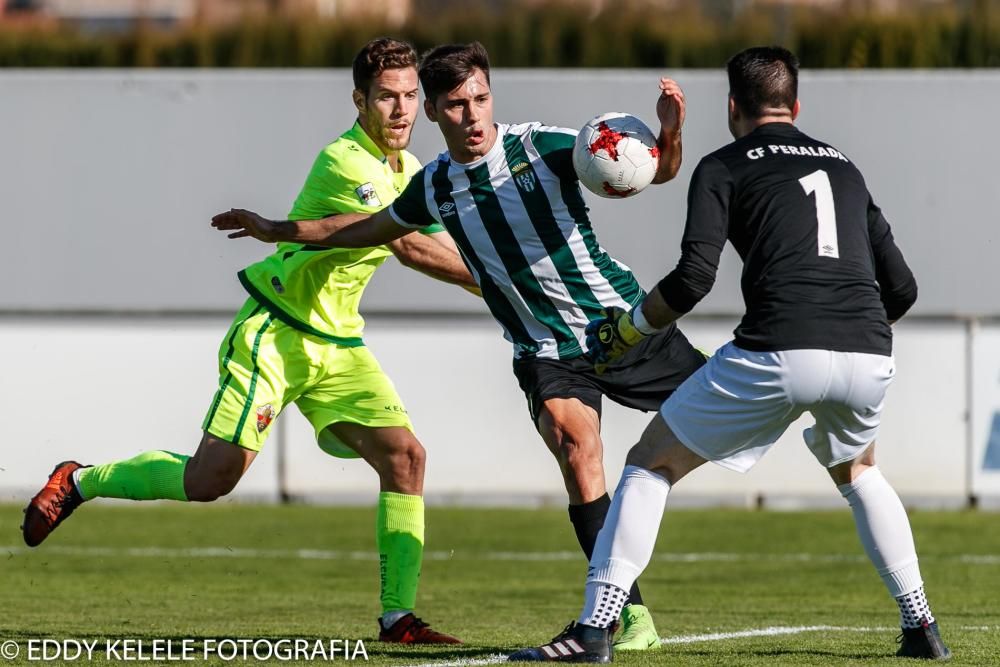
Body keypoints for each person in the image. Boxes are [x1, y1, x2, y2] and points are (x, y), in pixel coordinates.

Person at [212, 42, 707, 652]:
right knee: (578, 449)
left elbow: (652, 169)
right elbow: (368, 227)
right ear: (436, 114)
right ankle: (624, 616)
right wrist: (278, 229)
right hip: (544, 349)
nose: (472, 116)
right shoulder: (437, 184)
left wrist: (670, 135)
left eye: (480, 99)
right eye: (454, 105)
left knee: (741, 417)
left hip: (618, 324)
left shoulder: (545, 147)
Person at [21, 37, 474, 645]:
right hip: (276, 330)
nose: (401, 110)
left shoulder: (409, 170)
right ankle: (79, 480)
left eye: (410, 96)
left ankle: (398, 619)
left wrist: (500, 273)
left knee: (406, 458)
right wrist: (497, 289)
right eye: (386, 97)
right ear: (359, 100)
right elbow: (407, 244)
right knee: (211, 482)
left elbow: (441, 238)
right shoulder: (347, 161)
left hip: (338, 344)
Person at [508, 46, 950, 663]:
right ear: (796, 106)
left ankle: (595, 629)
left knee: (649, 465)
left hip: (778, 348)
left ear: (732, 107)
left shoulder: (723, 165)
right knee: (860, 472)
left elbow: (693, 279)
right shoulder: (846, 168)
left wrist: (631, 328)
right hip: (868, 350)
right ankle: (921, 626)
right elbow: (901, 288)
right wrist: (846, 336)